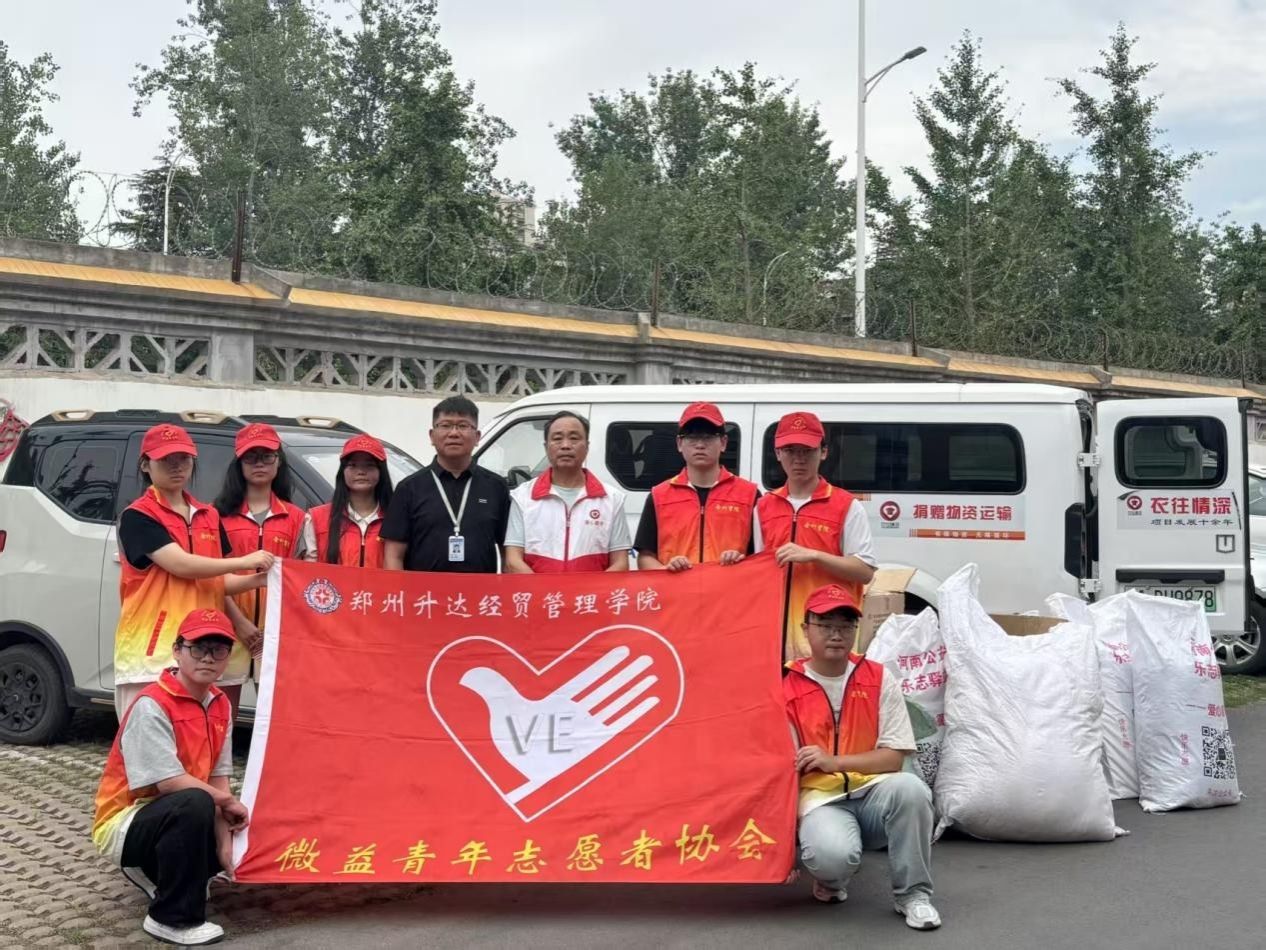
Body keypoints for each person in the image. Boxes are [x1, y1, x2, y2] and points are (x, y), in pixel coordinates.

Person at [784, 584, 940, 930]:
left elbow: (893, 758)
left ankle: (913, 896)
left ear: (855, 630)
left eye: (845, 625)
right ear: (805, 629)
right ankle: (832, 877)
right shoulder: (785, 684)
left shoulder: (878, 678)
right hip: (820, 802)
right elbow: (778, 770)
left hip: (874, 795)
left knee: (912, 789)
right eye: (825, 625)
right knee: (832, 857)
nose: (836, 634)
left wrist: (834, 762)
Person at [93, 608, 250, 946]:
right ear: (177, 651)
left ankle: (165, 873)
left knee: (231, 816)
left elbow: (219, 777)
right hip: (126, 821)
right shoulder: (153, 704)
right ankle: (170, 919)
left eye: (218, 649)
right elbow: (169, 782)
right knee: (195, 802)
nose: (208, 658)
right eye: (198, 647)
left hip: (182, 808)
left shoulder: (220, 704)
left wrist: (223, 847)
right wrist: (226, 801)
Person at [114, 424, 274, 722]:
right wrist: (244, 561)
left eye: (184, 459)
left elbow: (217, 582)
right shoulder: (138, 515)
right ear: (145, 465)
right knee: (151, 743)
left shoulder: (208, 515)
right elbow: (182, 565)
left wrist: (264, 579)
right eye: (166, 460)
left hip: (204, 652)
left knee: (204, 740)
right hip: (154, 655)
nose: (177, 467)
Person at [757, 411, 877, 660]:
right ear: (778, 453)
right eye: (790, 450)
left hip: (829, 635)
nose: (799, 459)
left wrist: (814, 556)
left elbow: (865, 571)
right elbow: (757, 569)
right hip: (774, 636)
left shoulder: (846, 506)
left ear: (823, 452)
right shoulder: (763, 507)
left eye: (807, 450)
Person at [381, 396, 510, 574]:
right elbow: (393, 556)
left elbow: (508, 553)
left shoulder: (496, 487)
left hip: (481, 591)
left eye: (463, 426)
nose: (454, 433)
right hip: (423, 591)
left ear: (477, 437)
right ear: (432, 436)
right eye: (445, 425)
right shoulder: (409, 488)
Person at [635, 402, 760, 572]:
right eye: (692, 437)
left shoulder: (750, 495)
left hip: (730, 588)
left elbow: (762, 557)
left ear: (723, 442)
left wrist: (740, 561)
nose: (700, 444)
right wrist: (666, 569)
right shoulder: (659, 496)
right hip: (677, 589)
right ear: (679, 443)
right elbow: (645, 557)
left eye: (709, 437)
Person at [504, 411, 631, 573]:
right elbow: (513, 560)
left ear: (587, 446)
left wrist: (589, 589)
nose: (565, 445)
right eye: (557, 438)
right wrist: (544, 588)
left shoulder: (611, 499)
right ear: (546, 447)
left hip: (590, 590)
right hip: (539, 590)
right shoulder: (523, 496)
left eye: (574, 438)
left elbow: (620, 563)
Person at [214, 422, 304, 645]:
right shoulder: (215, 514)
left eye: (267, 456)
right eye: (251, 457)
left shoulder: (297, 518)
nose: (259, 464)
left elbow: (298, 579)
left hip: (276, 632)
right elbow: (210, 576)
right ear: (239, 463)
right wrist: (239, 623)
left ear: (279, 461)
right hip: (226, 630)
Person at [303, 434, 395, 568]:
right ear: (343, 471)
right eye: (353, 465)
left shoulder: (397, 518)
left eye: (369, 465)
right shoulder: (316, 519)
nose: (361, 471)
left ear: (381, 471)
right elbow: (306, 572)